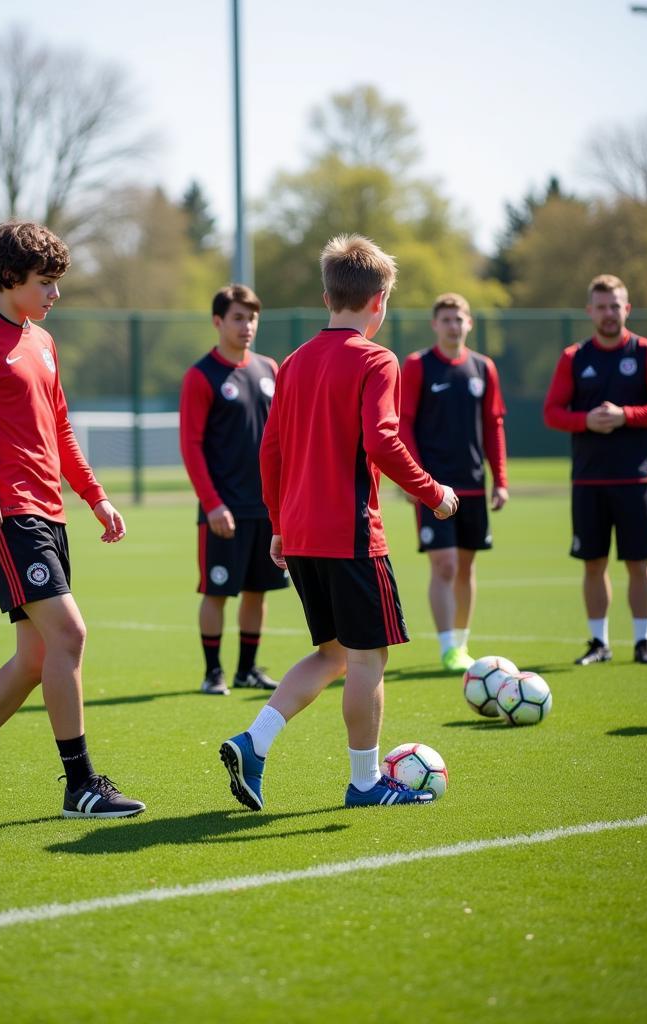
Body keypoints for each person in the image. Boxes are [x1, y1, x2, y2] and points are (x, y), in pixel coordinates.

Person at [0, 221, 145, 822]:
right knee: (69, 636)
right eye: (46, 283)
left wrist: (96, 497)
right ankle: (81, 785)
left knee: (37, 658)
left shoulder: (41, 342)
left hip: (50, 511)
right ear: (10, 278)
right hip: (6, 513)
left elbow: (60, 428)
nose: (55, 295)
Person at [219, 234, 458, 811]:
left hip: (300, 534)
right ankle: (366, 782)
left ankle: (255, 742)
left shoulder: (294, 361)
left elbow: (269, 450)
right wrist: (432, 492)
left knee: (333, 655)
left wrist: (279, 525)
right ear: (380, 301)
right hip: (350, 533)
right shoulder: (378, 358)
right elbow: (382, 438)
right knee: (368, 659)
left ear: (328, 295)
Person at [544, 273, 647, 666]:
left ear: (627, 309)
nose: (609, 313)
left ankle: (642, 643)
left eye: (615, 305)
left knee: (639, 562)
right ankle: (599, 643)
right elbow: (552, 413)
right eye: (601, 306)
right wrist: (586, 421)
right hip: (589, 479)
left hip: (635, 478)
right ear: (590, 312)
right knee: (593, 563)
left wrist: (625, 416)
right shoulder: (574, 357)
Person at [179, 284, 289, 695]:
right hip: (223, 509)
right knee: (217, 591)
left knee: (258, 592)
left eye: (252, 317)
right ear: (218, 322)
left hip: (266, 508)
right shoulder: (201, 375)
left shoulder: (269, 369)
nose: (247, 326)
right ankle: (213, 672)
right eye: (238, 318)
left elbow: (281, 439)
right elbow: (191, 446)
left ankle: (246, 670)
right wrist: (211, 503)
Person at [399, 293, 508, 672]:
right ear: (435, 325)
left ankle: (461, 644)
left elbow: (494, 426)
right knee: (443, 565)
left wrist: (501, 480)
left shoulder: (483, 368)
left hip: (474, 486)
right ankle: (448, 647)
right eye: (446, 319)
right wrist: (415, 480)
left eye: (459, 319)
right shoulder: (417, 366)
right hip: (433, 488)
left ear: (469, 323)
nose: (453, 325)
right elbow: (403, 424)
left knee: (465, 566)